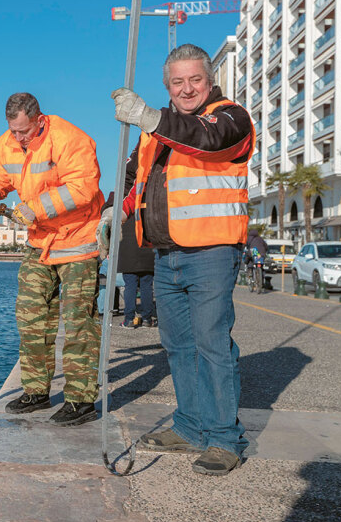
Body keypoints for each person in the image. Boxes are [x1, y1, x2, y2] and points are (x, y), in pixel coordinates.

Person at [105, 43, 255, 475]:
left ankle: (224, 438)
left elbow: (208, 140)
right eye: (177, 82)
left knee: (212, 344)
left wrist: (149, 117)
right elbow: (137, 177)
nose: (187, 88)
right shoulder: (158, 134)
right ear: (167, 85)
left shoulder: (230, 117)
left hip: (210, 251)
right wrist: (115, 211)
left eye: (195, 80)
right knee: (179, 345)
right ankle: (190, 426)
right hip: (166, 254)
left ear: (209, 81)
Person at [0, 92, 104, 427]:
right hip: (39, 242)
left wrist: (36, 208)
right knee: (31, 319)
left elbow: (83, 187)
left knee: (77, 324)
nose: (19, 138)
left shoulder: (70, 138)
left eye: (24, 132)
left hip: (77, 242)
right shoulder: (6, 145)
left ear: (39, 119)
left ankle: (80, 399)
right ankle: (35, 391)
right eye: (14, 132)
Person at [101, 193, 156, 328]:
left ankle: (129, 319)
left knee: (129, 285)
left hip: (127, 249)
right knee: (146, 285)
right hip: (146, 247)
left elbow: (105, 213)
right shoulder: (147, 192)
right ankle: (147, 319)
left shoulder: (117, 195)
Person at [245, 228, 269, 292]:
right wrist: (265, 251)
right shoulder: (260, 239)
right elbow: (266, 246)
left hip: (253, 252)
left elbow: (246, 246)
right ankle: (262, 280)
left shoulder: (249, 238)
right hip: (261, 253)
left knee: (249, 260)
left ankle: (250, 271)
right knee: (261, 266)